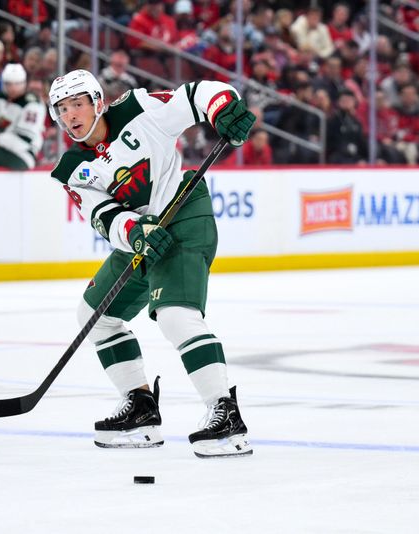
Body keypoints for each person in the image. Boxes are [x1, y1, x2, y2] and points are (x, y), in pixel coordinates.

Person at [47, 69, 255, 458]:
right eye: (62, 108)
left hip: (183, 216)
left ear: (97, 102)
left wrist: (222, 106)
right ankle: (141, 408)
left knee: (176, 314)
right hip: (143, 238)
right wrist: (136, 232)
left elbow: (194, 95)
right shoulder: (72, 168)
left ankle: (225, 414)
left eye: (77, 104)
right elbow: (104, 216)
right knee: (94, 313)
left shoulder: (138, 108)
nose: (71, 114)